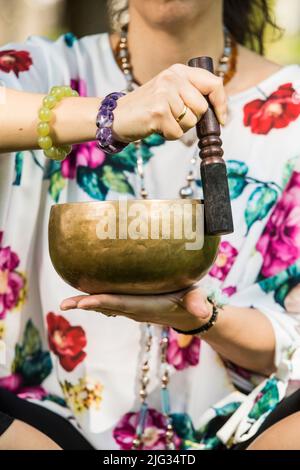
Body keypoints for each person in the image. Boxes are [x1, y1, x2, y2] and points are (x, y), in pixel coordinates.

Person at [0, 0, 300, 450]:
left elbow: (291, 338)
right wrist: (111, 114)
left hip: (243, 434)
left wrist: (205, 320)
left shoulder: (290, 110)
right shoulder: (47, 70)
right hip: (46, 432)